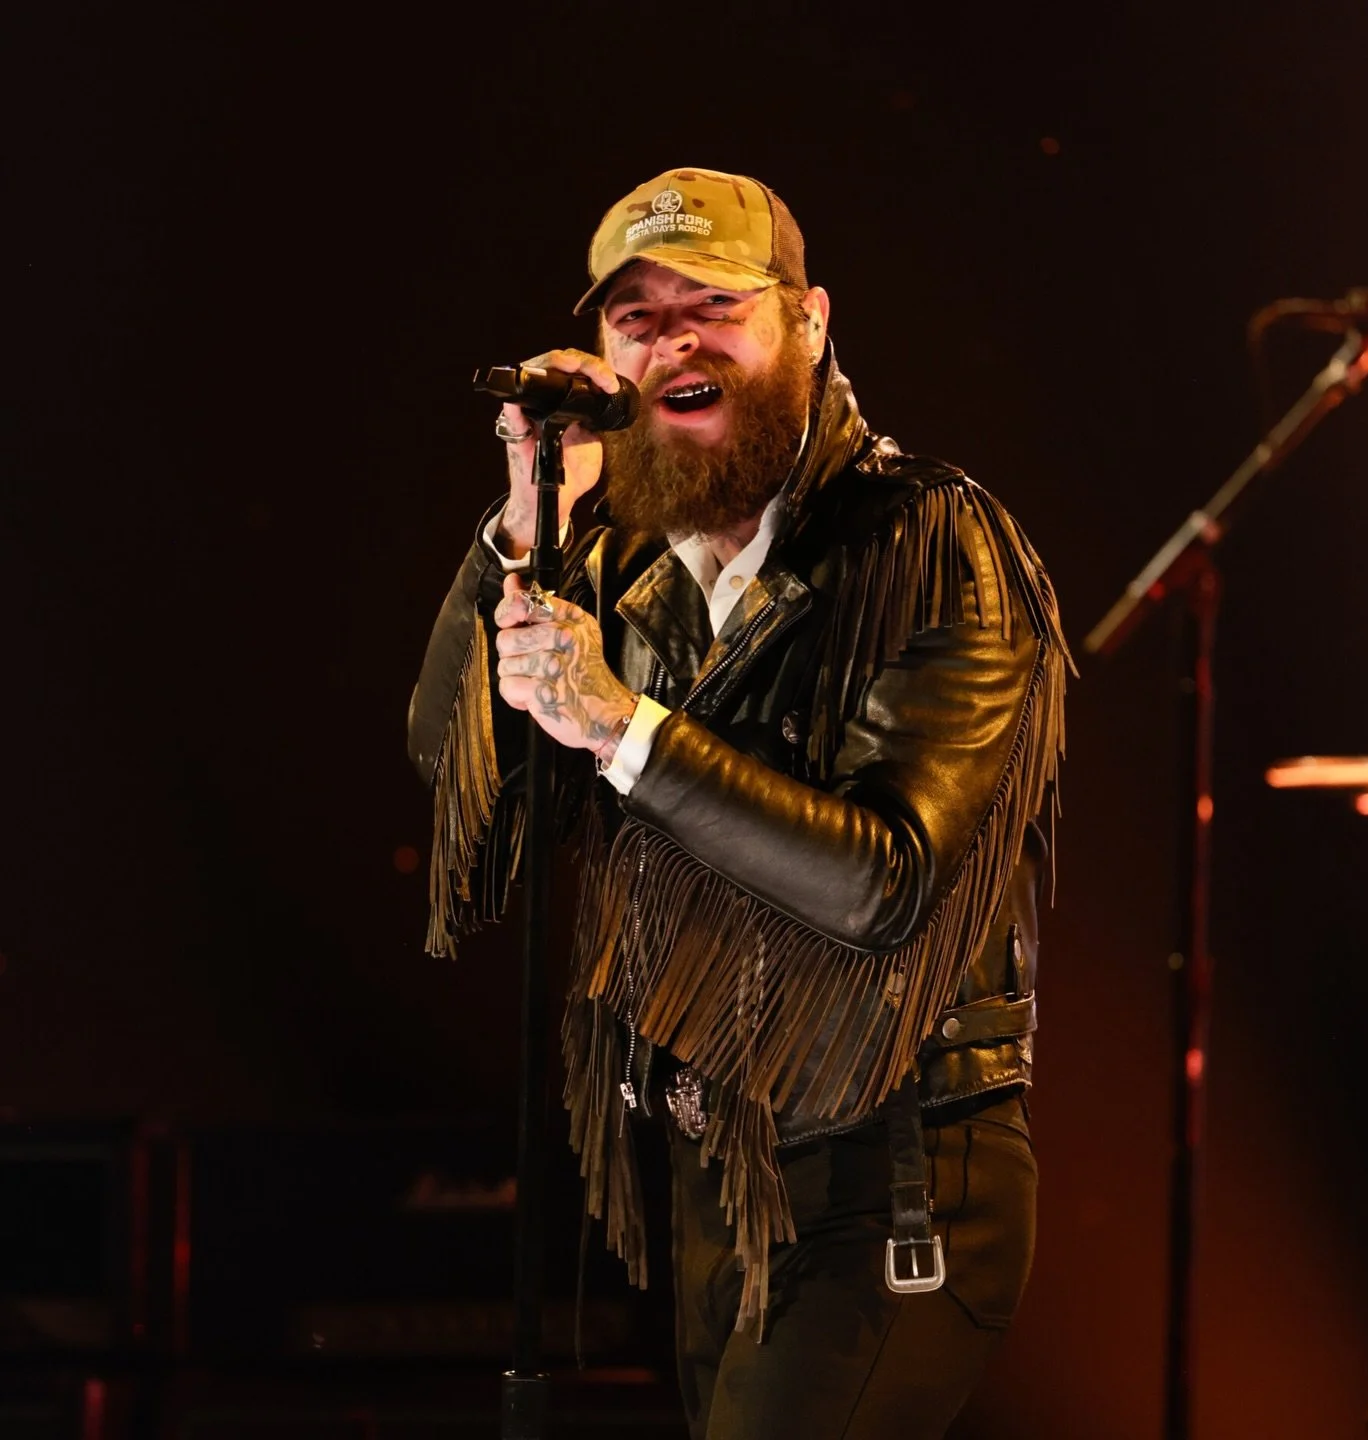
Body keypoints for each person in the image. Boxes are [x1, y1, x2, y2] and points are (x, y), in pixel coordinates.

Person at [408, 167, 1070, 1440]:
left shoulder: (927, 542)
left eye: (713, 301)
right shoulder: (628, 566)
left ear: (809, 324)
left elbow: (882, 880)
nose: (673, 339)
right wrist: (524, 516)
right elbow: (454, 772)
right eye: (637, 317)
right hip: (722, 1179)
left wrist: (620, 726)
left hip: (897, 1170)